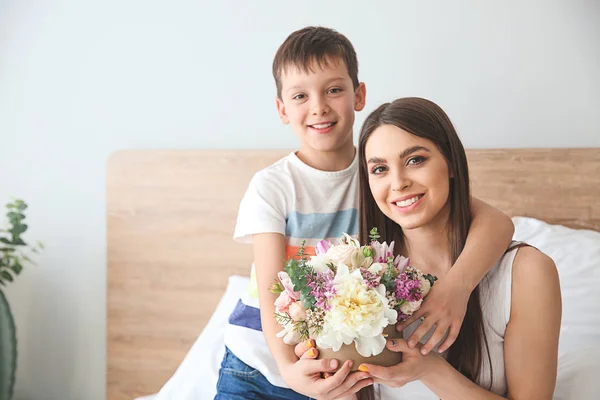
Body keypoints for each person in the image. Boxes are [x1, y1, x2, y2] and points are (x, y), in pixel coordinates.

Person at [215, 26, 516, 400]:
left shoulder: (381, 174)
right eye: (300, 96)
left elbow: (497, 222)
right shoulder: (273, 186)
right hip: (257, 365)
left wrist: (457, 287)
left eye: (334, 90)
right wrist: (289, 371)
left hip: (334, 368)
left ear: (359, 95)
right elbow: (271, 288)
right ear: (282, 110)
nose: (319, 107)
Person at [353, 97, 561, 399]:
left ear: (450, 163)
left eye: (415, 160)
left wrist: (431, 370)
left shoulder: (526, 273)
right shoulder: (358, 279)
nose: (398, 183)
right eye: (380, 169)